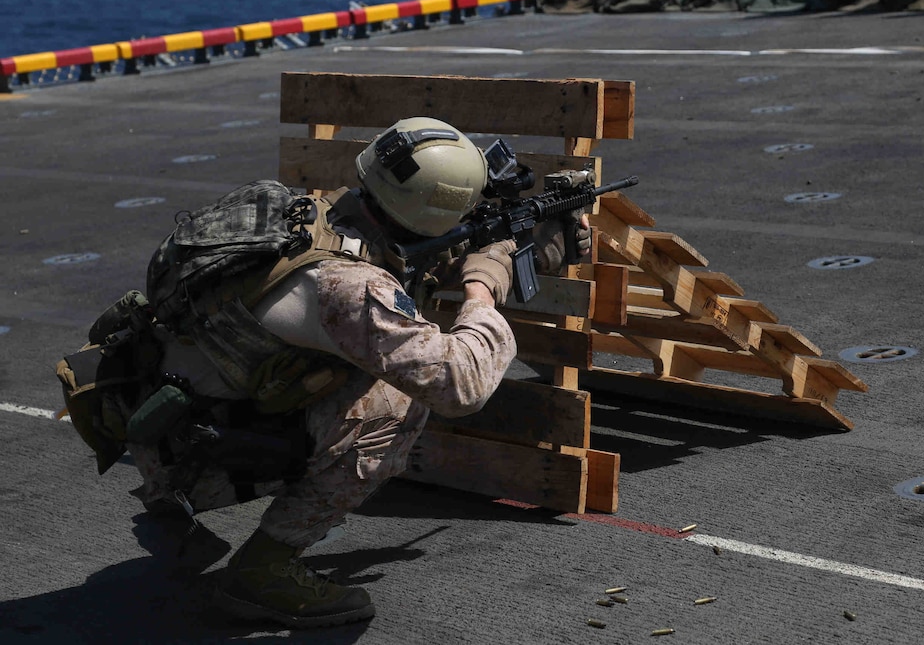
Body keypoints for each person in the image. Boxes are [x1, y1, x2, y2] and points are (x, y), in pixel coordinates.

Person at [119, 117, 590, 629]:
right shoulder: (350, 288)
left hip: (160, 411)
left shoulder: (310, 218)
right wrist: (482, 287)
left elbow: (417, 256)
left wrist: (518, 247)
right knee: (397, 405)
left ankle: (178, 503)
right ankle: (263, 572)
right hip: (194, 454)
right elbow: (461, 384)